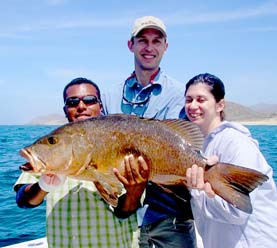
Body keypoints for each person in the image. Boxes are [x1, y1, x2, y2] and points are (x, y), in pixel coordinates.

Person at [14, 77, 144, 248]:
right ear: (65, 109)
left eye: (89, 100)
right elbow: (22, 200)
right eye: (72, 101)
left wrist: (135, 191)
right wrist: (43, 186)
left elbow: (124, 212)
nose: (81, 106)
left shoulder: (124, 141)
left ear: (100, 106)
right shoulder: (51, 150)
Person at [102, 16, 196, 248]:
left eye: (156, 41)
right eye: (143, 40)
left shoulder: (180, 94)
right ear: (130, 45)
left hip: (170, 217)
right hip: (125, 218)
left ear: (166, 46)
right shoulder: (110, 96)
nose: (149, 48)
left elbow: (189, 140)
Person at [184, 73, 277, 248]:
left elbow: (237, 211)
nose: (193, 106)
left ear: (220, 105)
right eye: (189, 100)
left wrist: (197, 190)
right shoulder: (201, 146)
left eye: (201, 99)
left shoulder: (237, 144)